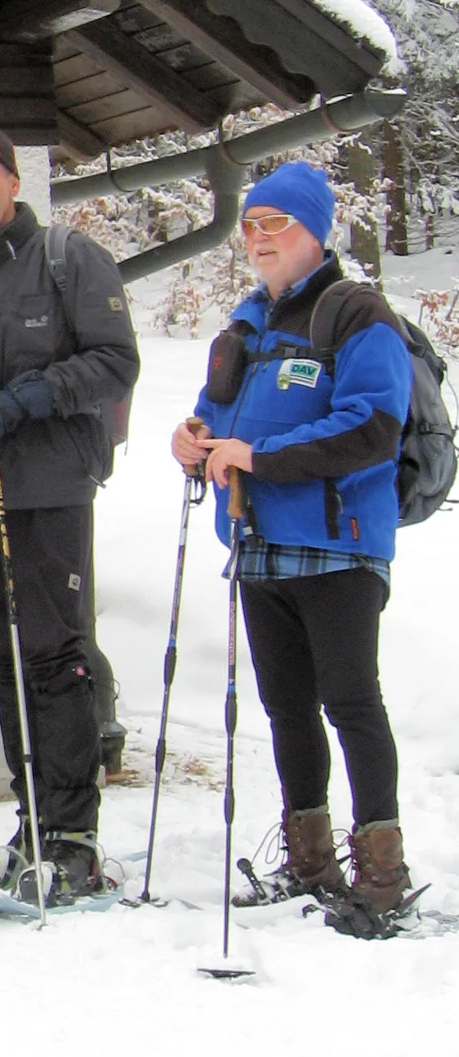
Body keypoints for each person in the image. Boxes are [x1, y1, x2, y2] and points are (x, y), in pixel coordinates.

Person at [170, 161, 415, 926]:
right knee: (285, 711)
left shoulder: (357, 313)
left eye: (275, 223)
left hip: (339, 546)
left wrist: (260, 458)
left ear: (316, 231)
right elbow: (217, 413)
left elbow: (375, 426)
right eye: (249, 224)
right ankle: (310, 861)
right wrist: (194, 438)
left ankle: (381, 873)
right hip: (259, 544)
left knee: (350, 702)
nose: (258, 238)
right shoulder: (244, 323)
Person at [0, 111, 140, 905]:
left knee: (53, 654)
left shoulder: (68, 258)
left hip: (52, 490)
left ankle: (74, 831)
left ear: (12, 181)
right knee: (6, 657)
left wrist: (32, 397)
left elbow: (116, 361)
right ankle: (33, 820)